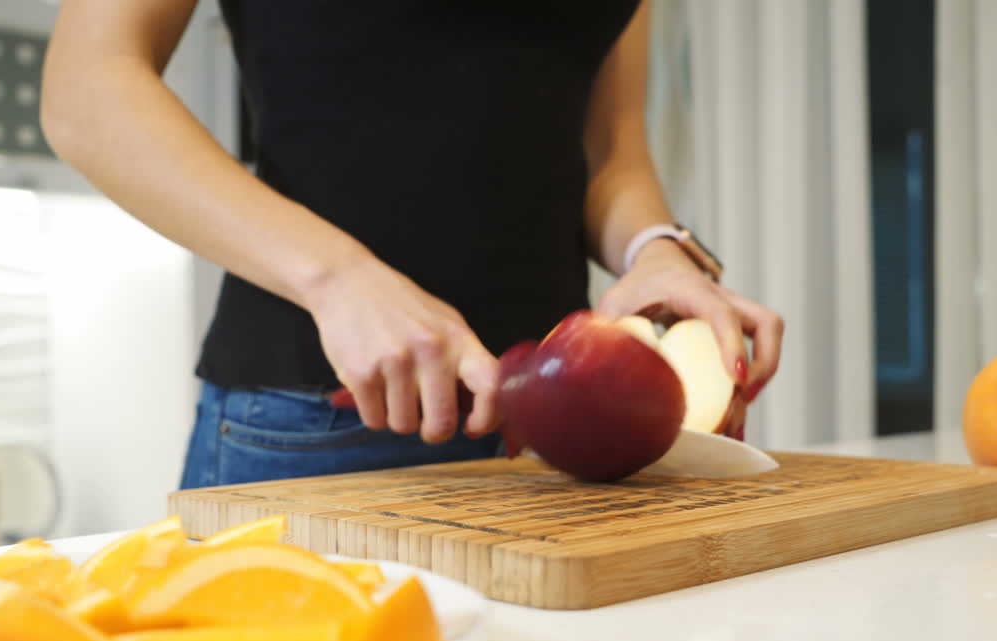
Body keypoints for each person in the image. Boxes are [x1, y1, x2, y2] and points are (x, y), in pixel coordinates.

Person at [41, 0, 783, 490]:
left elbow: (610, 147)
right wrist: (339, 279)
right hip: (325, 420)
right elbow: (88, 88)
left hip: (559, 435)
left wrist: (657, 250)